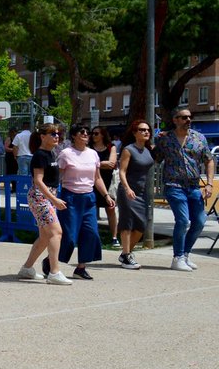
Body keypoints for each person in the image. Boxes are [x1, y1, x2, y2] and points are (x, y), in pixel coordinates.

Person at [155, 107, 215, 271]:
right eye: (183, 117)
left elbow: (209, 160)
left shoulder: (199, 138)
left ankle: (185, 255)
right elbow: (154, 158)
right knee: (182, 220)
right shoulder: (165, 140)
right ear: (175, 120)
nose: (188, 120)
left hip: (194, 186)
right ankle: (177, 257)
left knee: (200, 222)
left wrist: (209, 184)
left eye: (189, 117)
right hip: (174, 185)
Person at [53, 124, 114, 280]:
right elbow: (56, 178)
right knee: (70, 237)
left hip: (89, 198)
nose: (86, 134)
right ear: (74, 135)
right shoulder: (66, 154)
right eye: (82, 132)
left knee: (91, 233)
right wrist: (52, 197)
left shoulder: (93, 154)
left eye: (88, 132)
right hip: (70, 198)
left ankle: (81, 268)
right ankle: (50, 262)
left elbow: (97, 178)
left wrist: (106, 195)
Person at [18, 124, 72, 285]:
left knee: (44, 237)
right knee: (56, 233)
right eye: (52, 134)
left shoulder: (50, 153)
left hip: (47, 195)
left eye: (58, 134)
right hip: (41, 196)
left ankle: (27, 268)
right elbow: (38, 181)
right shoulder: (40, 155)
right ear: (42, 136)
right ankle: (54, 272)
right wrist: (53, 199)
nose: (57, 136)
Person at [116, 119, 154, 270]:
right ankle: (126, 255)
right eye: (141, 130)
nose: (146, 132)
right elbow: (122, 171)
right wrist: (127, 188)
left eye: (147, 130)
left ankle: (126, 253)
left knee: (142, 225)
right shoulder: (128, 149)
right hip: (128, 191)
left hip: (142, 192)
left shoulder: (148, 149)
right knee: (127, 223)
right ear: (134, 133)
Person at [90, 126, 119, 247]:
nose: (93, 135)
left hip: (108, 181)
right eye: (93, 133)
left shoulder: (110, 147)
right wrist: (102, 164)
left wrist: (95, 164)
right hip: (92, 180)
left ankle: (114, 237)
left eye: (96, 133)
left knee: (110, 208)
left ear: (102, 135)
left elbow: (112, 164)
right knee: (91, 209)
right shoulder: (89, 148)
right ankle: (93, 237)